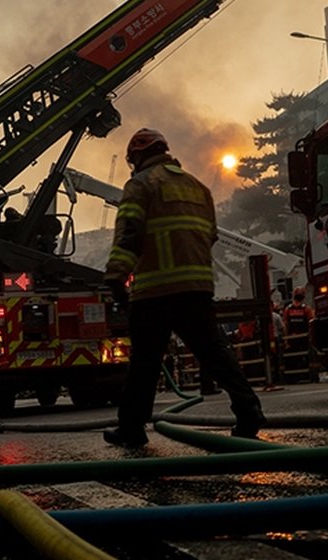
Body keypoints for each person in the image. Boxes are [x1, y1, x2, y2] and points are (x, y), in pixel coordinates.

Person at [102, 128, 266, 447]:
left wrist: (115, 276)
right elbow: (211, 234)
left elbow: (130, 235)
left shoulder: (140, 184)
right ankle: (249, 412)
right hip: (196, 287)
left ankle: (132, 429)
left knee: (144, 364)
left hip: (154, 291)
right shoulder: (198, 187)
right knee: (214, 353)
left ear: (136, 157)